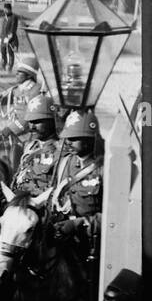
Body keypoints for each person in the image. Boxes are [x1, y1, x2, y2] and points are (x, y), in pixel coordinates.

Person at [49, 110, 103, 289]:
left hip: (90, 243)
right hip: (63, 238)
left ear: (89, 140)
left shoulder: (103, 169)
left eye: (74, 138)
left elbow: (112, 217)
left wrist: (78, 224)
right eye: (67, 138)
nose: (68, 142)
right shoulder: (64, 163)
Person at [11, 93, 59, 197]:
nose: (32, 127)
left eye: (37, 122)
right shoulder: (31, 146)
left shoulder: (60, 151)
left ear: (52, 121)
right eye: (30, 122)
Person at [0, 3, 20, 72]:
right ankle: (3, 65)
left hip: (11, 39)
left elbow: (13, 29)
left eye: (5, 9)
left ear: (9, 9)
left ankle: (10, 68)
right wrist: (1, 37)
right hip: (3, 38)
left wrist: (8, 38)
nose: (4, 10)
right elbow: (3, 28)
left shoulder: (14, 17)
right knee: (3, 52)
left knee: (10, 53)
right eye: (4, 9)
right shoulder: (5, 17)